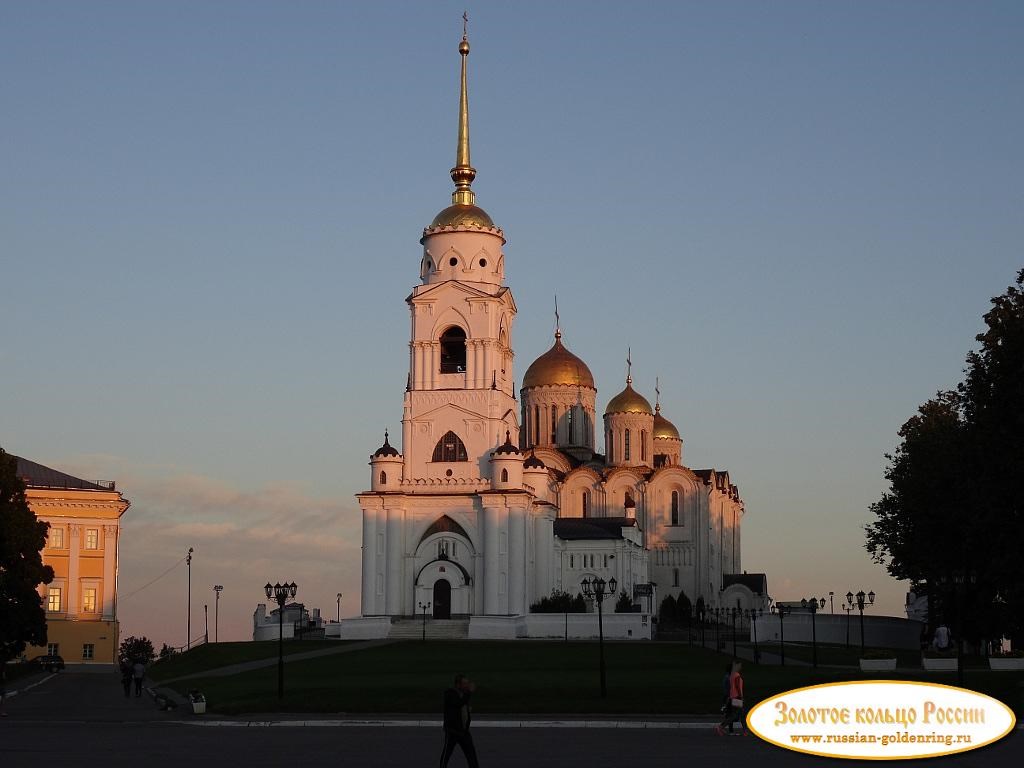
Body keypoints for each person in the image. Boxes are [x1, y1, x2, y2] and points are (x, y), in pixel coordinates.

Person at [440, 673, 479, 768]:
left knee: (471, 755)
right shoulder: (450, 694)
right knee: (446, 754)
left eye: (467, 683)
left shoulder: (463, 694)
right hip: (453, 731)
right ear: (458, 685)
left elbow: (462, 705)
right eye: (465, 683)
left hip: (463, 731)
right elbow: (459, 703)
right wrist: (469, 692)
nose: (467, 685)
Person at [715, 660, 745, 735]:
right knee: (735, 715)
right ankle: (722, 727)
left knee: (738, 714)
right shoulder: (734, 676)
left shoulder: (730, 676)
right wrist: (741, 697)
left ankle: (744, 731)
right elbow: (736, 687)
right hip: (735, 697)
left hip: (732, 697)